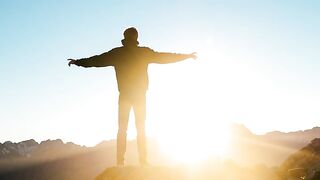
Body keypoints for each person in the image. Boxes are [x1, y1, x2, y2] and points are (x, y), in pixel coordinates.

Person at [68, 27, 196, 167]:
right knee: (140, 128)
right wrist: (186, 56)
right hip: (140, 96)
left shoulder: (118, 53)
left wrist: (78, 62)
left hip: (125, 96)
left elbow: (96, 60)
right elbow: (165, 57)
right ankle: (143, 161)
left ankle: (120, 162)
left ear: (124, 37)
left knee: (123, 129)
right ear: (136, 38)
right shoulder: (143, 53)